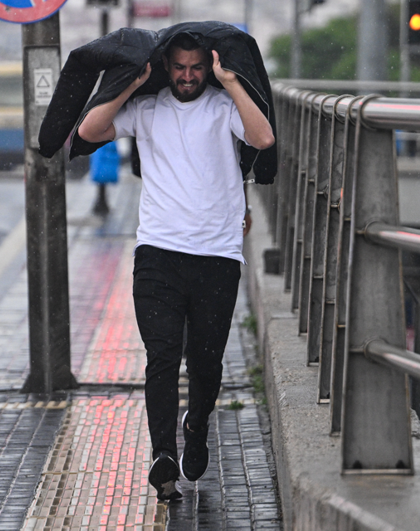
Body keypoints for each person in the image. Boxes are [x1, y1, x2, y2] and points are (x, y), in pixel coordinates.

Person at [77, 33, 275, 501]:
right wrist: (130, 84)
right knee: (162, 358)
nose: (188, 76)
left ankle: (197, 423)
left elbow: (263, 138)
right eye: (180, 67)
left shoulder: (224, 107)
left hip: (217, 256)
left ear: (208, 67)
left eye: (196, 67)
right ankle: (163, 456)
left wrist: (232, 82)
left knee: (205, 362)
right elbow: (88, 131)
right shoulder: (147, 109)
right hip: (158, 253)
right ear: (167, 66)